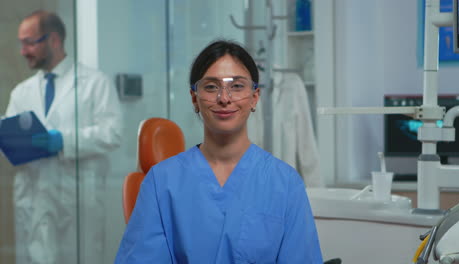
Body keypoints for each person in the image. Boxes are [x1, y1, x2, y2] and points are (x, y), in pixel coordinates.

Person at [115, 40, 323, 263]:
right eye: (212, 87)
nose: (224, 98)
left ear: (254, 97)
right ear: (195, 98)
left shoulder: (285, 183)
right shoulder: (162, 182)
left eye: (237, 86)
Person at [5, 10, 122, 264]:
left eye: (29, 42)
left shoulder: (94, 82)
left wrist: (64, 141)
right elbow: (9, 142)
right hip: (34, 197)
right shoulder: (21, 92)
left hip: (78, 198)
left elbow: (112, 133)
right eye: (21, 43)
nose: (23, 50)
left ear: (54, 40)